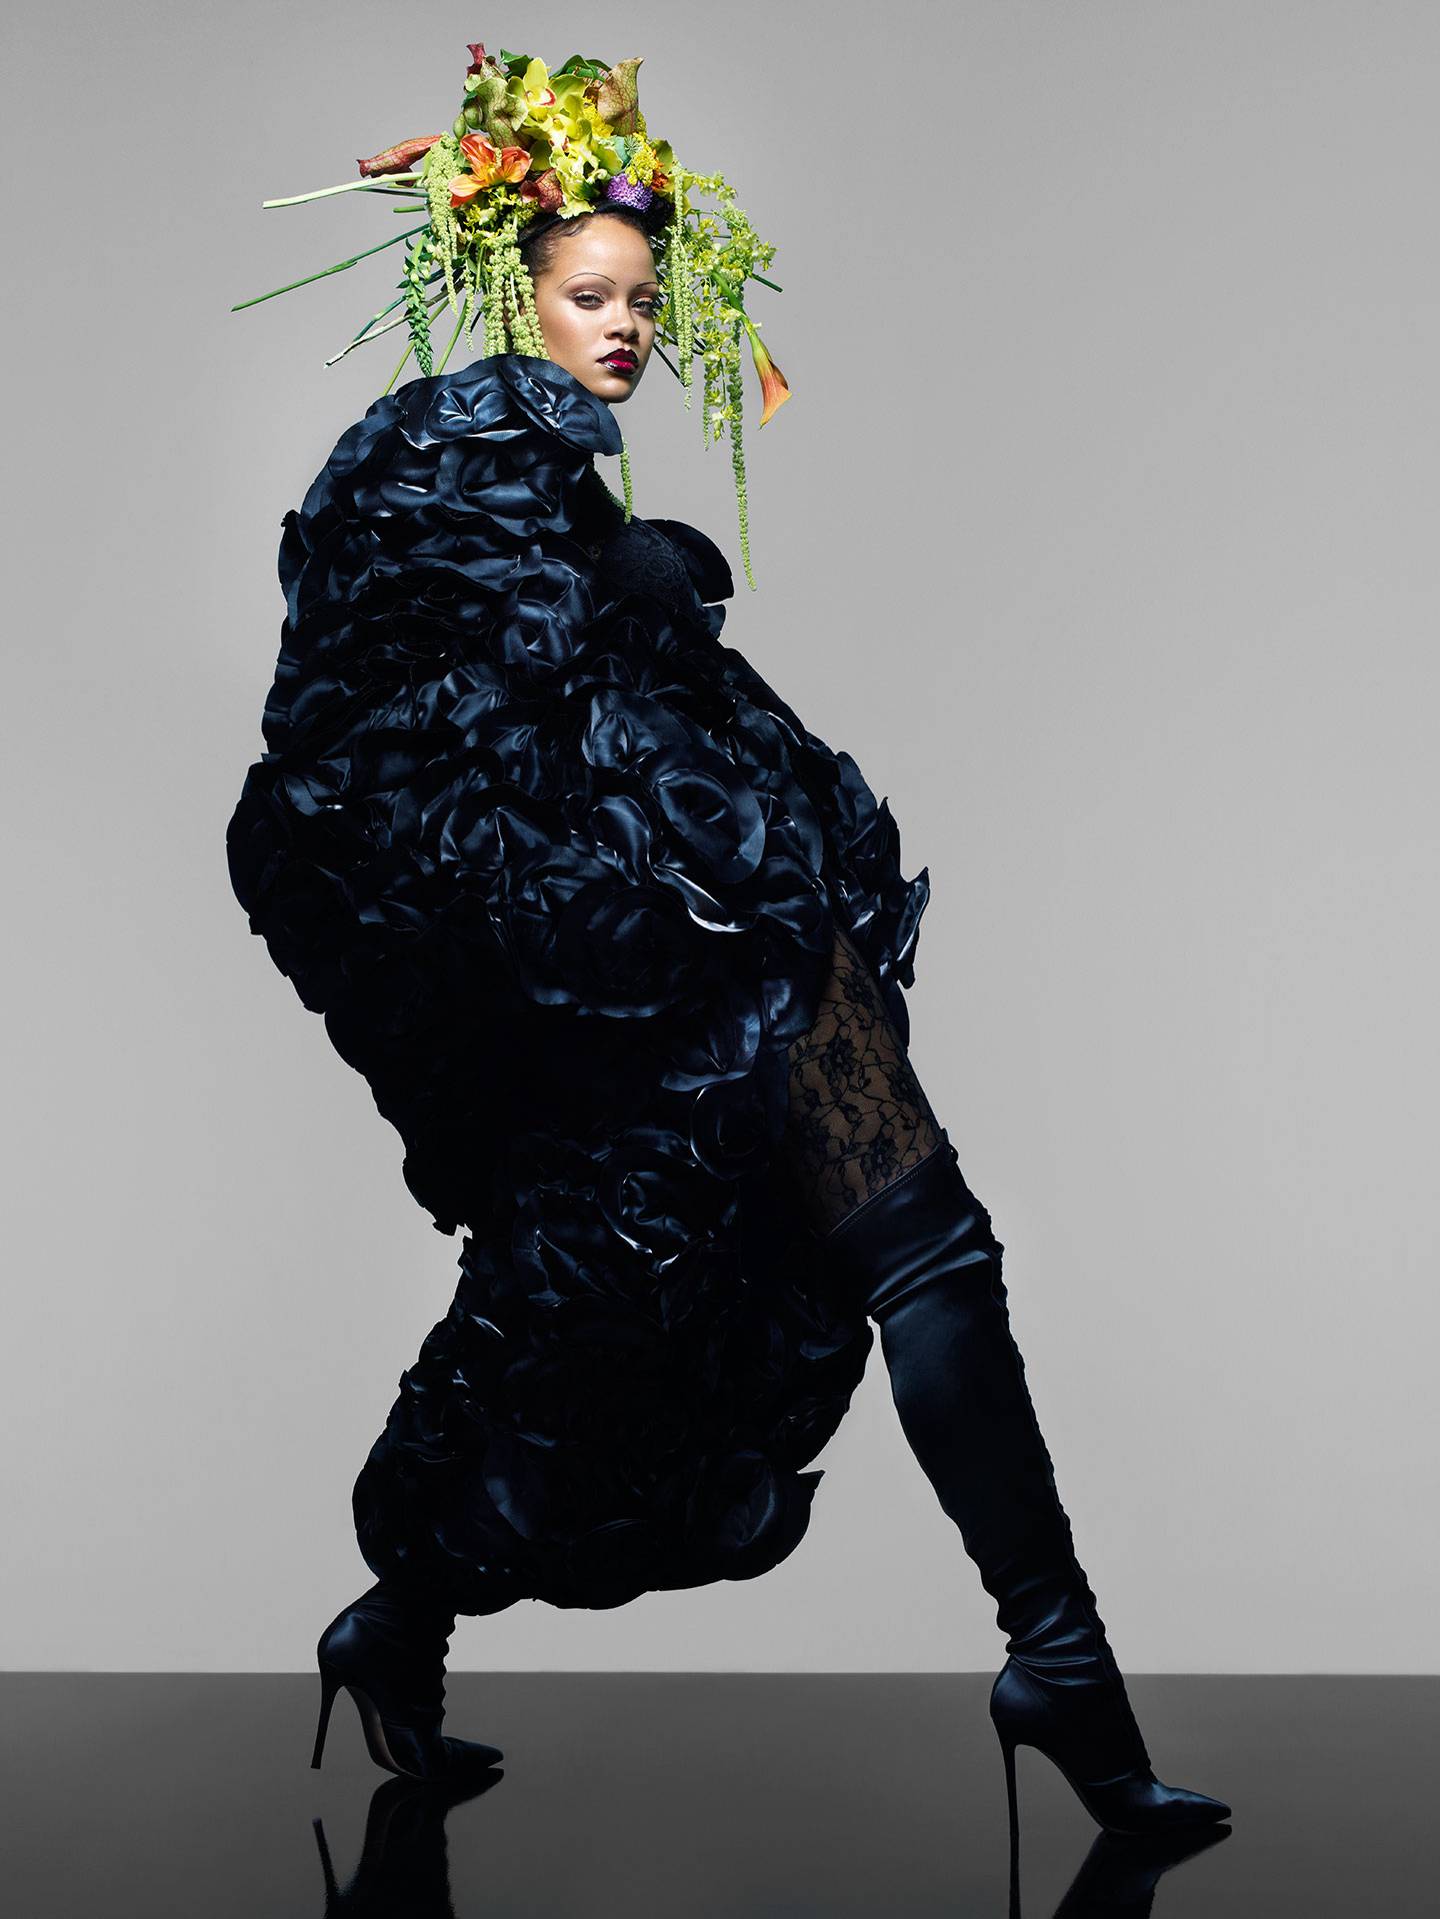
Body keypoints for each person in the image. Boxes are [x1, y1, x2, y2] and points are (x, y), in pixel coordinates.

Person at [226, 44, 1231, 1839]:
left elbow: (590, 699)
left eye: (638, 299)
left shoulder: (552, 481)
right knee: (741, 1279)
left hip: (731, 931)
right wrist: (631, 856)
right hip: (678, 955)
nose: (623, 328)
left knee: (812, 1271)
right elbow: (404, 752)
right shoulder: (452, 452)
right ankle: (1055, 1663)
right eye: (588, 296)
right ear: (512, 288)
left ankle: (1044, 1661)